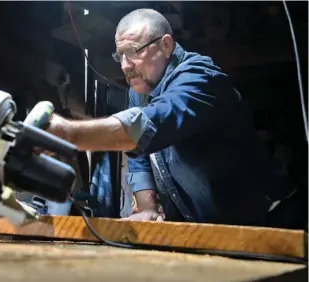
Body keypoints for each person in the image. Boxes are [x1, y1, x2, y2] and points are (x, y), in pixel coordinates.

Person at [46, 8, 295, 226]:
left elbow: (152, 124)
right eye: (119, 54)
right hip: (204, 231)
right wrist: (147, 209)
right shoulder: (141, 91)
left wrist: (66, 133)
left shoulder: (199, 78)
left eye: (133, 51)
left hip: (262, 225)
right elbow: (139, 156)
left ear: (166, 45)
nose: (124, 65)